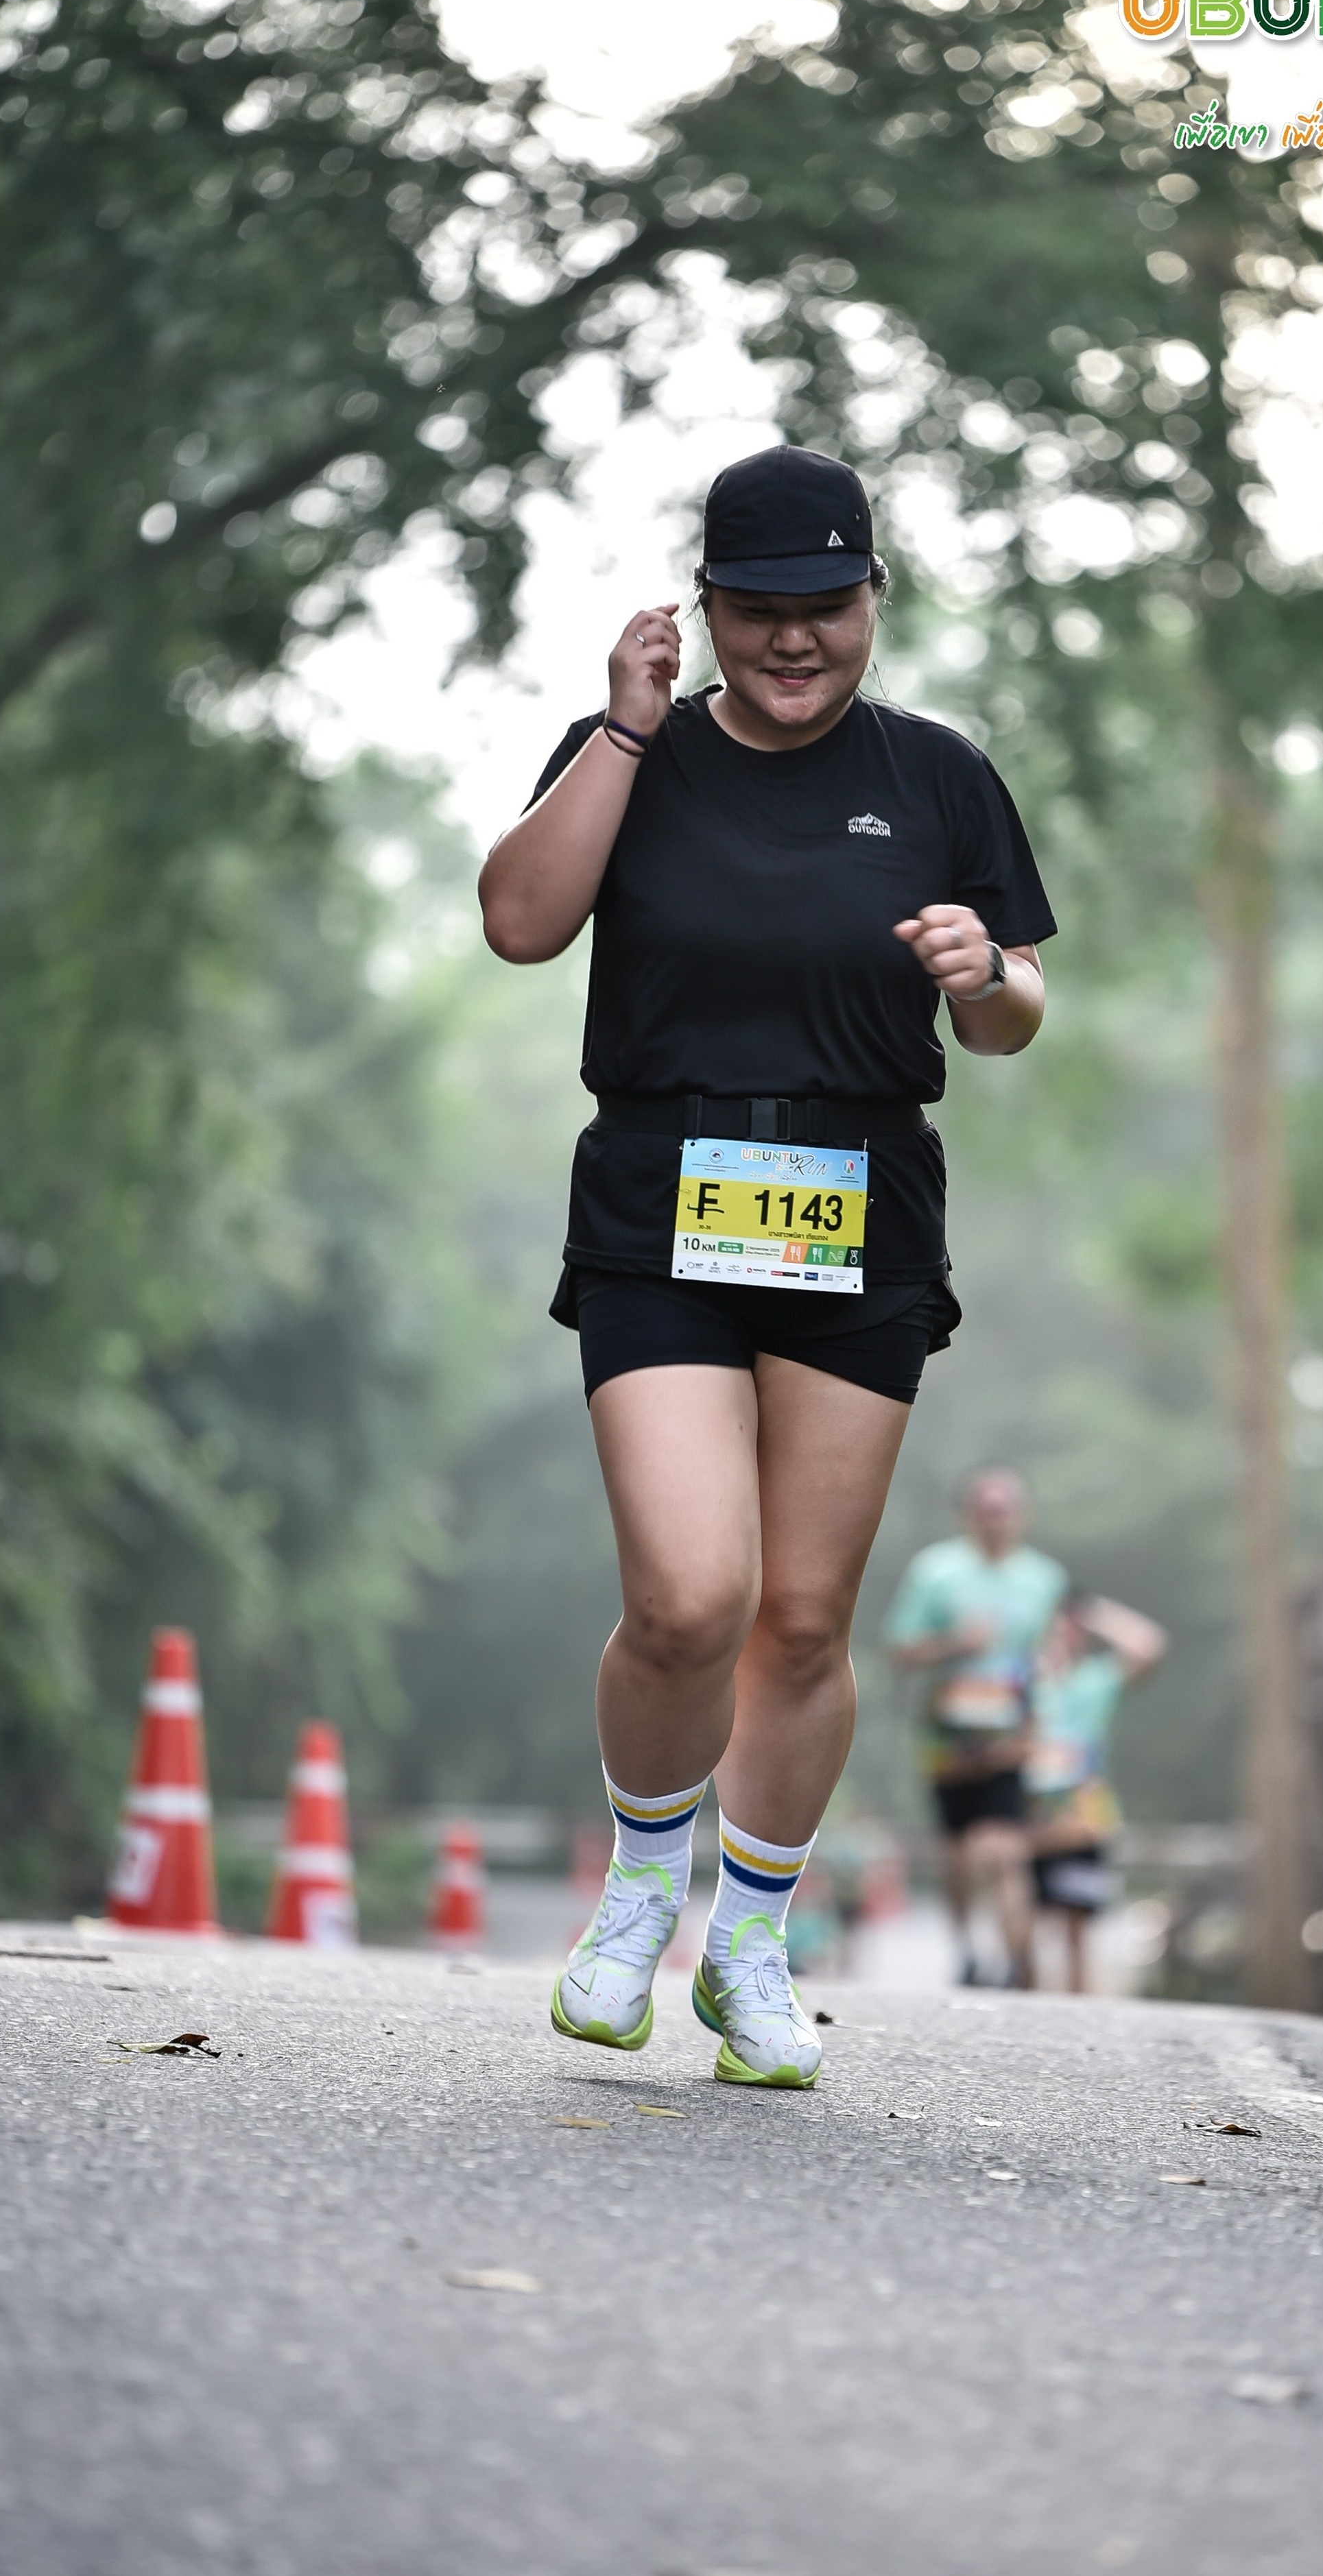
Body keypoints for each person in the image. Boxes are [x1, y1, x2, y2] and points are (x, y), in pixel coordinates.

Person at [477, 446, 1056, 2087]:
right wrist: (621, 726)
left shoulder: (937, 776)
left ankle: (748, 1943)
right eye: (757, 608)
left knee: (799, 1620)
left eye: (825, 604)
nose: (793, 638)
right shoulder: (635, 751)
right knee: (687, 1596)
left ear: (872, 597)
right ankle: (637, 1896)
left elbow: (1011, 1013)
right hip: (659, 1192)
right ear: (706, 607)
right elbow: (517, 921)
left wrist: (982, 971)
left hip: (858, 1206)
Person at [883, 1468, 1065, 1989]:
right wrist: (955, 1645)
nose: (995, 1520)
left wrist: (1048, 1698)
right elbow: (901, 1648)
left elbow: (1055, 1652)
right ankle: (966, 1948)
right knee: (959, 1854)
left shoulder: (1044, 1578)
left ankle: (1015, 1962)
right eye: (986, 1510)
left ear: (1023, 1516)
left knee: (1004, 1850)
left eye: (1004, 1510)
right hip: (951, 1733)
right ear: (966, 1515)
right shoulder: (936, 1571)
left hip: (1013, 1730)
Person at [1026, 1593, 1169, 1994]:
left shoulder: (1094, 1681)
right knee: (1026, 1925)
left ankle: (1076, 2010)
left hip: (1083, 1818)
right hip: (1029, 1817)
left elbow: (1149, 1647)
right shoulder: (1028, 1682)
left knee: (1077, 1927)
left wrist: (1096, 1613)